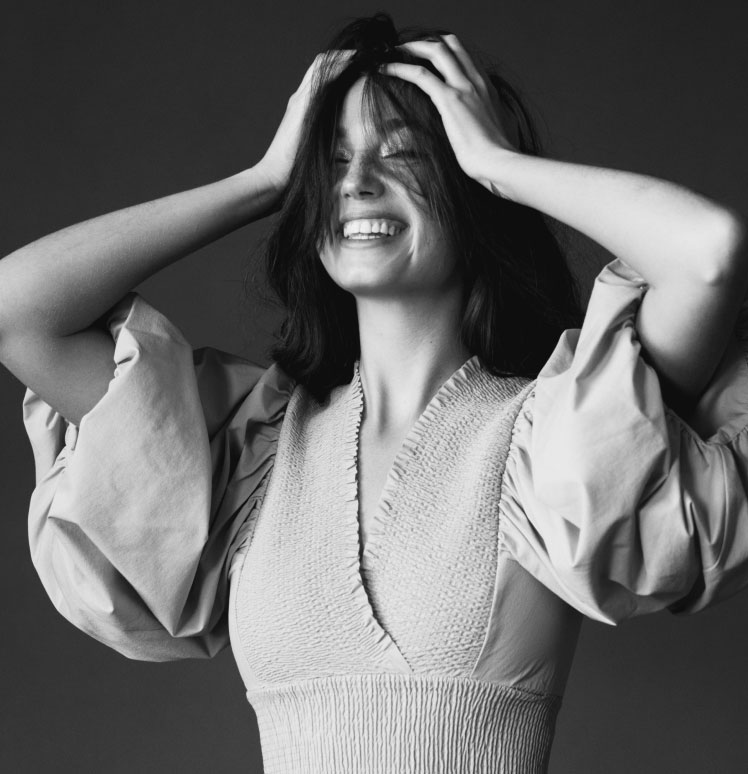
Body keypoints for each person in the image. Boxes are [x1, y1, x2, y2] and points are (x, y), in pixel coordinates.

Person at [3, 12, 748, 773]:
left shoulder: (561, 433)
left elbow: (709, 254)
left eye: (405, 156)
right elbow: (18, 311)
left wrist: (499, 165)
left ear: (468, 188)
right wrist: (262, 182)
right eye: (331, 162)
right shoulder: (248, 455)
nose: (357, 184)